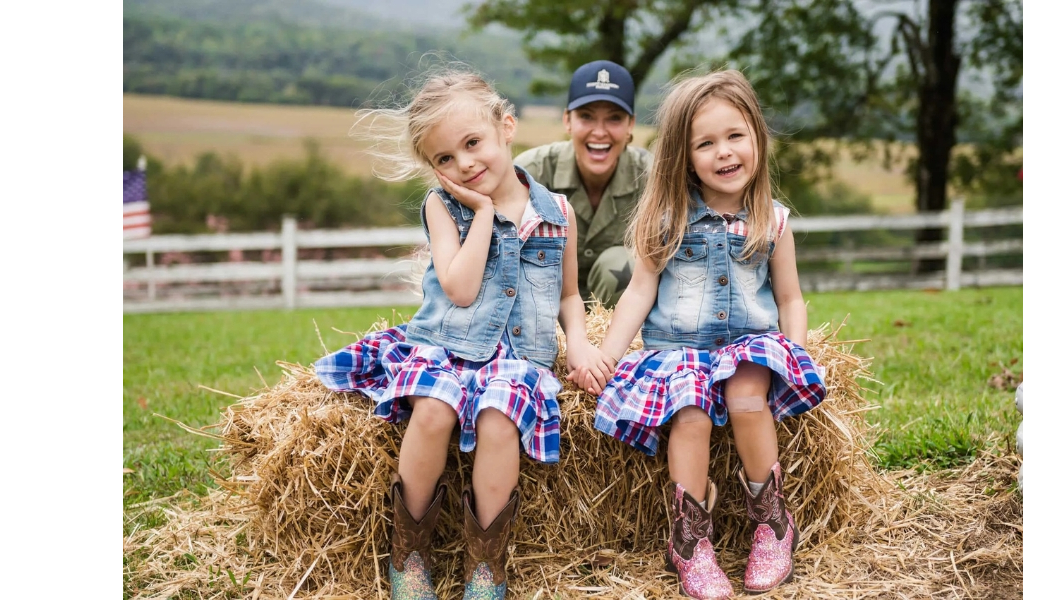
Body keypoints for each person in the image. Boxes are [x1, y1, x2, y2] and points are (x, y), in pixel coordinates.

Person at [314, 68, 612, 600]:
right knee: (433, 409)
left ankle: (485, 566)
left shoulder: (557, 213)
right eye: (445, 158)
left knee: (500, 418)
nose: (464, 164)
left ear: (506, 128)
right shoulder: (442, 206)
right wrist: (483, 213)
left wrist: (581, 343)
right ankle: (409, 554)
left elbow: (569, 295)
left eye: (473, 144)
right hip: (447, 346)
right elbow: (460, 288)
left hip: (519, 357)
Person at [574, 70, 827, 598]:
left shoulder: (773, 221)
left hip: (748, 345)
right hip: (679, 348)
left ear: (757, 138)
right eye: (705, 143)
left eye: (735, 136)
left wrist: (795, 353)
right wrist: (606, 357)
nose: (724, 152)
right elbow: (639, 292)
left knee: (746, 392)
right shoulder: (666, 219)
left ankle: (772, 522)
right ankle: (690, 540)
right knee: (689, 410)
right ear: (685, 158)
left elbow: (789, 298)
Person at [514, 60, 653, 309]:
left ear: (630, 124)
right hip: (541, 306)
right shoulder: (531, 173)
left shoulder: (653, 178)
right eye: (586, 117)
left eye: (614, 118)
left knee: (622, 264)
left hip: (624, 312)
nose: (599, 132)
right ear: (567, 120)